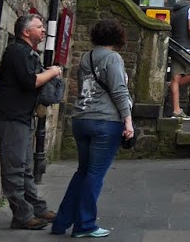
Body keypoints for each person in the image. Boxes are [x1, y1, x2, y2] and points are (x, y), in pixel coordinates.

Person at [50, 19, 134, 238]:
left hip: (81, 118)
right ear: (118, 37)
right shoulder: (113, 58)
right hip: (105, 122)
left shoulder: (86, 57)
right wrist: (128, 121)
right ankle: (85, 224)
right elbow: (118, 91)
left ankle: (61, 222)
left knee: (83, 172)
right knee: (95, 174)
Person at [0, 13, 61, 229]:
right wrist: (52, 73)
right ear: (26, 32)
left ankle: (38, 209)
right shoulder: (17, 52)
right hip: (12, 117)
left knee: (24, 168)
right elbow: (29, 81)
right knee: (15, 169)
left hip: (22, 117)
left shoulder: (28, 53)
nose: (43, 30)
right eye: (39, 27)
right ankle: (22, 216)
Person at [167, 0, 190, 120]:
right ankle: (170, 86)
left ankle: (176, 110)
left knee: (175, 78)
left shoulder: (174, 11)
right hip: (185, 47)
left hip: (174, 47)